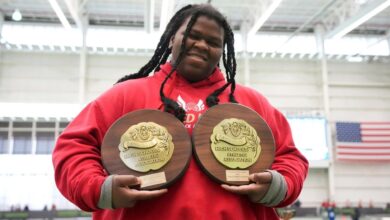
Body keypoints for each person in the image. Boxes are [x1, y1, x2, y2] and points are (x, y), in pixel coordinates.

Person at [52, 3, 308, 220]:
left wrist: (277, 185)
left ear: (222, 50)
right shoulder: (124, 95)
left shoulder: (251, 102)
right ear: (173, 36)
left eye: (213, 42)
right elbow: (73, 146)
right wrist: (99, 188)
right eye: (193, 35)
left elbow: (290, 157)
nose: (201, 45)